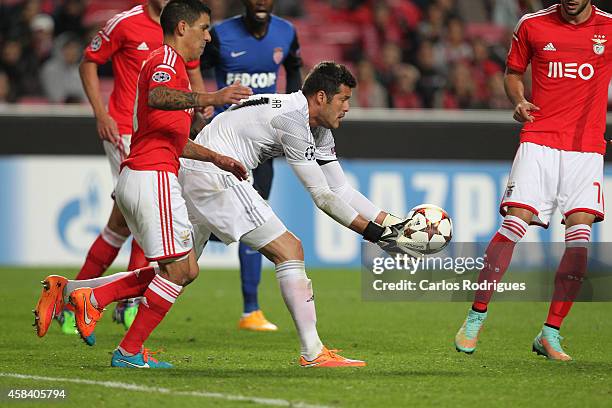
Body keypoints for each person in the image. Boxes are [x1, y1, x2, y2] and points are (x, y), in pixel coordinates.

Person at [34, 61, 411, 368]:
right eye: (344, 99)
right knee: (290, 250)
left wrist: (391, 223)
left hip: (197, 173)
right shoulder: (293, 120)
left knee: (175, 273)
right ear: (322, 96)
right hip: (216, 175)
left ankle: (77, 294)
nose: (348, 107)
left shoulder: (312, 122)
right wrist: (378, 235)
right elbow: (322, 195)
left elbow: (341, 188)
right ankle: (313, 353)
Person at [34, 0, 251, 368]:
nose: (208, 36)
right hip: (152, 177)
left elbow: (172, 138)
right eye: (203, 28)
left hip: (142, 176)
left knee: (182, 269)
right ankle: (127, 349)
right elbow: (158, 97)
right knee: (179, 271)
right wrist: (210, 97)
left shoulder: (169, 64)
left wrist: (218, 159)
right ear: (182, 28)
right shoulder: (166, 62)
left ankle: (79, 294)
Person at [454, 0, 611, 361]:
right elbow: (512, 73)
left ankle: (550, 333)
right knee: (514, 223)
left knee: (579, 240)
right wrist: (519, 99)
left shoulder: (609, 28)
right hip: (539, 138)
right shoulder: (533, 25)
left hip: (585, 147)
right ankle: (475, 318)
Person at [65, 0, 206, 338]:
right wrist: (102, 113)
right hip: (129, 131)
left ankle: (75, 298)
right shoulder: (125, 24)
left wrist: (200, 113)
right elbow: (89, 62)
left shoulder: (181, 34)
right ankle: (116, 305)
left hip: (159, 131)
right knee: (145, 216)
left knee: (122, 225)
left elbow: (194, 71)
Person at [199, 0, 302, 331]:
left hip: (261, 147)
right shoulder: (219, 35)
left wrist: (293, 120)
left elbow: (295, 70)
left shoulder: (286, 32)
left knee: (255, 217)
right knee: (208, 222)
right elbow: (192, 70)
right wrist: (200, 106)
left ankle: (251, 311)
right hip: (223, 146)